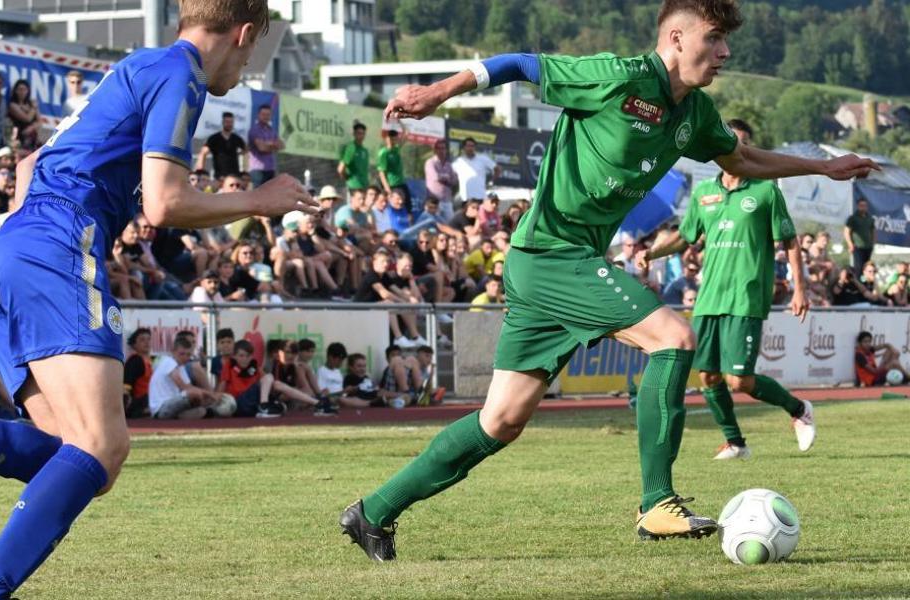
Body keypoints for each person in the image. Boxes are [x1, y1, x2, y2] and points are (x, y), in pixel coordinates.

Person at [338, 0, 878, 562]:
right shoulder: (618, 78)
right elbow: (520, 63)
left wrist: (822, 166)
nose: (725, 53)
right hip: (551, 255)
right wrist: (437, 92)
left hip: (561, 263)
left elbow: (740, 160)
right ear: (675, 36)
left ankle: (372, 511)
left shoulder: (694, 113)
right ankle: (656, 502)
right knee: (673, 338)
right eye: (714, 39)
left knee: (499, 422)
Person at [0, 4, 319, 598]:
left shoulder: (135, 66)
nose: (245, 67)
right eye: (253, 50)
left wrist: (32, 240)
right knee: (103, 447)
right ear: (242, 34)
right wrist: (258, 200)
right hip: (55, 250)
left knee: (76, 458)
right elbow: (163, 205)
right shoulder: (181, 78)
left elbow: (31, 163)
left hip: (10, 255)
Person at [640, 118, 816, 461]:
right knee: (707, 376)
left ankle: (798, 409)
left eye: (744, 143)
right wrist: (650, 252)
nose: (737, 148)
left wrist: (800, 288)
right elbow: (684, 236)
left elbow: (790, 240)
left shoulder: (765, 190)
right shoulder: (705, 194)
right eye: (731, 141)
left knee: (740, 381)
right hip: (709, 299)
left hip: (745, 297)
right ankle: (735, 442)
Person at [149, 336, 219, 420]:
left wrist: (209, 396)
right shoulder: (168, 362)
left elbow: (189, 386)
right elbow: (184, 388)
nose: (185, 357)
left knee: (201, 404)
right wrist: (210, 394)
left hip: (173, 404)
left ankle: (202, 413)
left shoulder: (181, 367)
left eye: (188, 354)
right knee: (194, 395)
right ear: (173, 352)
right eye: (182, 354)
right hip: (162, 408)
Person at [198, 111, 247, 179]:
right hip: (220, 176)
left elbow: (245, 150)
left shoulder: (237, 138)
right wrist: (200, 170)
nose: (229, 124)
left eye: (231, 122)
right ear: (223, 122)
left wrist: (238, 154)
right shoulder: (214, 138)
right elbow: (203, 152)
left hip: (235, 176)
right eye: (227, 122)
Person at [452, 137, 500, 202]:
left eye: (472, 146)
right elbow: (450, 174)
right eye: (468, 146)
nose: (470, 148)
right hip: (465, 199)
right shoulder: (458, 161)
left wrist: (491, 182)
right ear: (463, 148)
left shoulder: (483, 158)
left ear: (475, 147)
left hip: (480, 197)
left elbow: (497, 169)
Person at [247, 104, 283, 188]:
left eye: (268, 115)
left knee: (269, 196)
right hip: (257, 170)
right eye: (263, 114)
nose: (266, 117)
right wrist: (273, 145)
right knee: (258, 197)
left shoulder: (271, 130)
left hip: (270, 168)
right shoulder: (254, 130)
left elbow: (281, 145)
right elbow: (261, 148)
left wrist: (267, 144)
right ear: (258, 115)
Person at [425, 139, 459, 221]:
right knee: (435, 225)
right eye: (439, 148)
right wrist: (447, 177)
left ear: (446, 150)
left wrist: (445, 178)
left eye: (443, 148)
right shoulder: (430, 162)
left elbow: (454, 181)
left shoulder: (448, 165)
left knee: (450, 224)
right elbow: (436, 177)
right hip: (434, 200)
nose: (441, 151)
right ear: (435, 150)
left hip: (447, 200)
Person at [122, 328, 152, 418]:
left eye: (148, 339)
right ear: (134, 344)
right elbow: (127, 385)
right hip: (140, 401)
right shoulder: (135, 361)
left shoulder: (152, 360)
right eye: (142, 339)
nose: (147, 342)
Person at [377, 128, 410, 212]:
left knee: (408, 205)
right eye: (390, 138)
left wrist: (400, 121)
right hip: (391, 185)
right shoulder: (383, 153)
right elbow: (382, 173)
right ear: (386, 139)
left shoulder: (396, 149)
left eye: (394, 138)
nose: (391, 140)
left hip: (400, 183)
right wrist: (387, 189)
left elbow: (406, 133)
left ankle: (408, 221)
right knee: (390, 207)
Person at [7, 78, 41, 150]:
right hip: (18, 138)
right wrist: (34, 107)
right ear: (15, 91)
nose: (22, 92)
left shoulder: (30, 104)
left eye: (24, 89)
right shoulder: (13, 105)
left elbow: (40, 122)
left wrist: (32, 127)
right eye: (20, 89)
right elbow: (27, 119)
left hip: (32, 138)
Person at [844, 197, 875, 275]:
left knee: (867, 268)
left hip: (868, 247)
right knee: (858, 268)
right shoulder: (853, 218)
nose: (863, 207)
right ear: (858, 206)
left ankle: (864, 285)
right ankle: (857, 285)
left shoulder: (870, 218)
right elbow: (846, 232)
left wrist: (873, 243)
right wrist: (850, 244)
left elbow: (873, 231)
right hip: (857, 247)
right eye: (861, 205)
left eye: (864, 206)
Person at [338, 122, 370, 194]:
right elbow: (340, 169)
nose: (361, 136)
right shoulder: (351, 148)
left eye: (363, 133)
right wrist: (348, 179)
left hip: (365, 186)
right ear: (354, 134)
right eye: (359, 133)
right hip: (354, 187)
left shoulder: (364, 150)